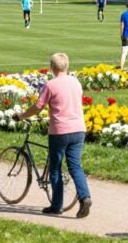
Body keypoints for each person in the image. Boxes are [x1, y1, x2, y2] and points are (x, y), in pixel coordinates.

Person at [18, 53, 92, 218]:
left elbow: (38, 107)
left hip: (60, 130)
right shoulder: (75, 82)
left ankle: (57, 205)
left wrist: (22, 116)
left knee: (55, 167)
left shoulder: (50, 85)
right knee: (75, 166)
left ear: (52, 67)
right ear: (67, 66)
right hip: (78, 129)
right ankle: (85, 197)